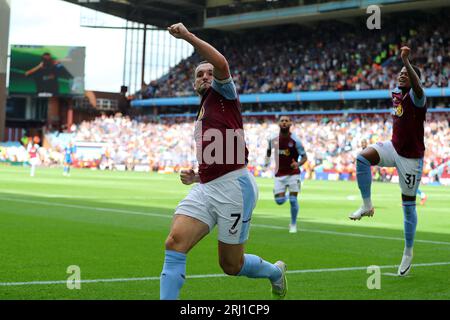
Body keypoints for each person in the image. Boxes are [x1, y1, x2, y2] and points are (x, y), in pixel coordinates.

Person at [159, 22, 287, 300]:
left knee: (231, 265)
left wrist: (189, 37)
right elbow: (218, 153)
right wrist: (196, 176)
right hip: (206, 187)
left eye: (209, 72)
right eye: (200, 74)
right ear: (194, 83)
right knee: (174, 242)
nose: (206, 76)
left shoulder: (224, 95)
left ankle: (275, 273)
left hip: (234, 190)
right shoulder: (203, 110)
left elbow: (222, 63)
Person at [349, 46, 427, 277]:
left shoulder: (418, 97)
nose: (402, 74)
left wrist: (406, 60)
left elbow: (418, 88)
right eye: (401, 72)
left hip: (411, 159)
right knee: (362, 158)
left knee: (408, 207)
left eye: (408, 72)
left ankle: (408, 251)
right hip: (394, 147)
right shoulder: (397, 95)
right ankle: (367, 205)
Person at [265, 115, 307, 233]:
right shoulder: (273, 139)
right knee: (279, 201)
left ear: (290, 124)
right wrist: (266, 162)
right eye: (282, 121)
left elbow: (304, 157)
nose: (284, 122)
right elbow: (268, 150)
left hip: (293, 174)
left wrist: (298, 164)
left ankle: (293, 224)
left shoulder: (296, 140)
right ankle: (284, 195)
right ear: (279, 124)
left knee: (293, 200)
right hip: (279, 174)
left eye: (286, 121)